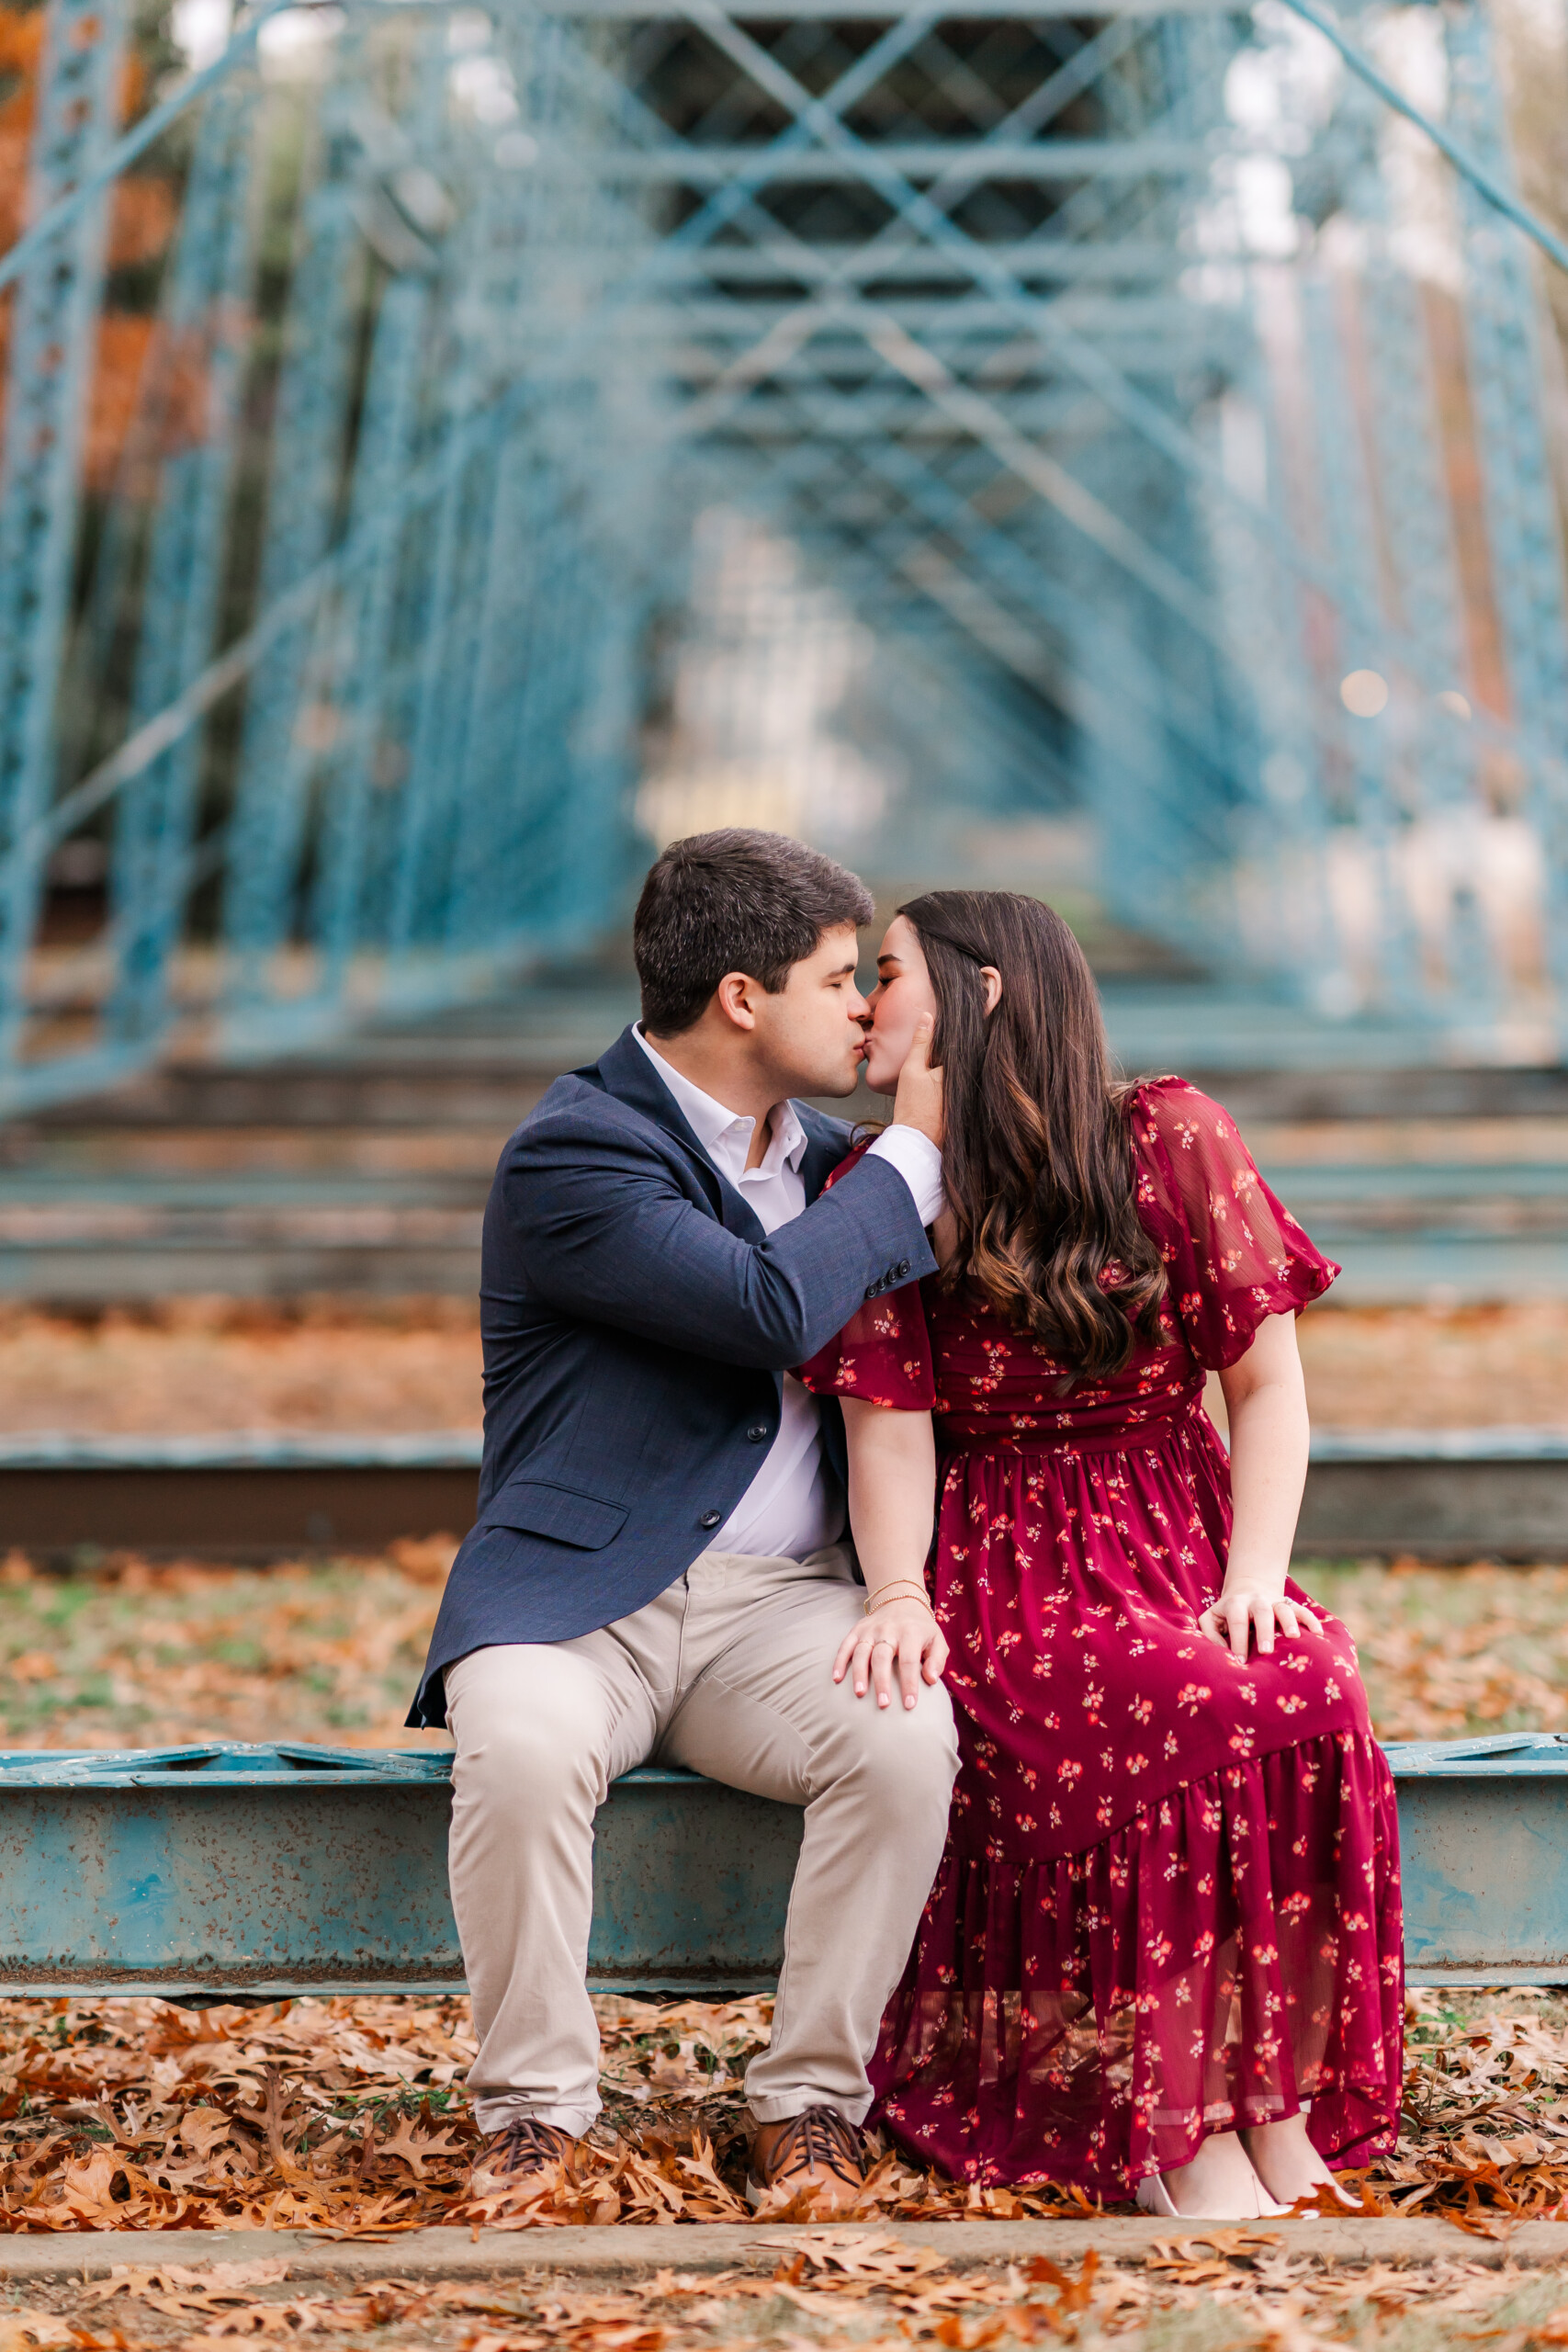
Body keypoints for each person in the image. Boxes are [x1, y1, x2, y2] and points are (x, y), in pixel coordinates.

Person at [797, 890, 1404, 2220]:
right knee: (1164, 1703)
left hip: (1180, 1527)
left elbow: (1269, 1390)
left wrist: (1254, 1579)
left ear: (984, 992)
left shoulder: (1170, 1135)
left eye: (884, 974)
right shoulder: (884, 1185)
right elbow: (888, 1435)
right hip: (1012, 1553)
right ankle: (1170, 2132)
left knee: (1303, 1687)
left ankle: (1273, 2108)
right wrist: (899, 1592)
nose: (859, 1004)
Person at [407, 829, 960, 2215]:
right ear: (739, 998)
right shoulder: (576, 1152)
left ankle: (815, 2105)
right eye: (841, 978)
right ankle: (535, 2113)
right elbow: (764, 1308)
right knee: (524, 1750)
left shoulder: (842, 1161)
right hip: (579, 1600)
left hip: (781, 1608)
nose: (865, 1009)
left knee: (905, 1741)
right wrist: (917, 1157)